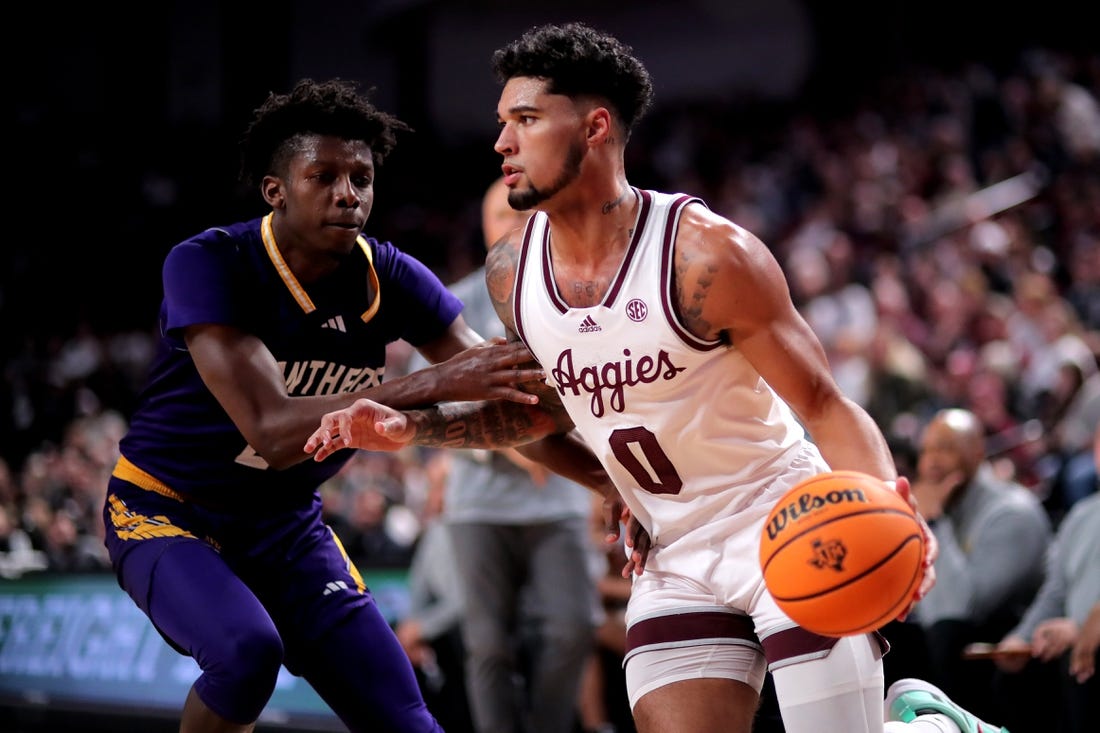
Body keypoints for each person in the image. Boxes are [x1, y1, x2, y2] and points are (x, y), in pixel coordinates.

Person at [305, 22, 1012, 733]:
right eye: (501, 123)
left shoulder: (706, 256)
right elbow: (537, 412)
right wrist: (414, 428)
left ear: (595, 127)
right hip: (671, 547)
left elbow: (824, 404)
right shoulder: (512, 275)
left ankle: (931, 727)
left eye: (524, 120)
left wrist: (897, 516)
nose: (502, 144)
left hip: (783, 517)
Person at [101, 77, 557, 733]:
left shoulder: (388, 275)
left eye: (362, 177)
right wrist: (428, 383)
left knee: (408, 720)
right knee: (246, 653)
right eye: (325, 176)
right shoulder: (209, 263)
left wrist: (606, 473)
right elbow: (274, 430)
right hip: (166, 510)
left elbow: (506, 391)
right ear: (275, 189)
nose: (349, 193)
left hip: (285, 526)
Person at [409, 176, 601, 733]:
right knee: (488, 643)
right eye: (502, 216)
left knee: (574, 628)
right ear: (485, 226)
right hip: (479, 502)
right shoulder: (454, 302)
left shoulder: (575, 292)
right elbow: (430, 400)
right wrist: (517, 444)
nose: (514, 225)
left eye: (525, 214)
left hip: (559, 497)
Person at [908, 408, 1053, 722]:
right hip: (954, 648)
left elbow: (959, 609)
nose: (932, 462)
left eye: (945, 448)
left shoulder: (1013, 513)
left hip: (1005, 654)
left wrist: (932, 522)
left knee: (945, 633)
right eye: (926, 451)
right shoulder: (947, 505)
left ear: (977, 452)